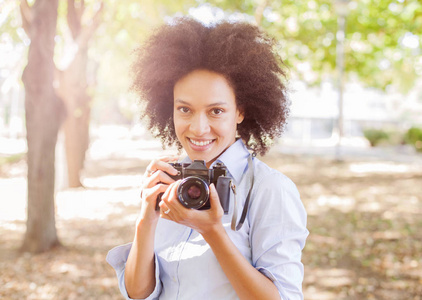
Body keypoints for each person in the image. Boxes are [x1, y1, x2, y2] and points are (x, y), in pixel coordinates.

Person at [106, 17, 309, 300]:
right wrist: (146, 219)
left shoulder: (270, 190)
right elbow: (139, 294)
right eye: (185, 109)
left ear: (240, 111)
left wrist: (212, 232)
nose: (198, 128)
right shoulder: (171, 180)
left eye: (216, 111)